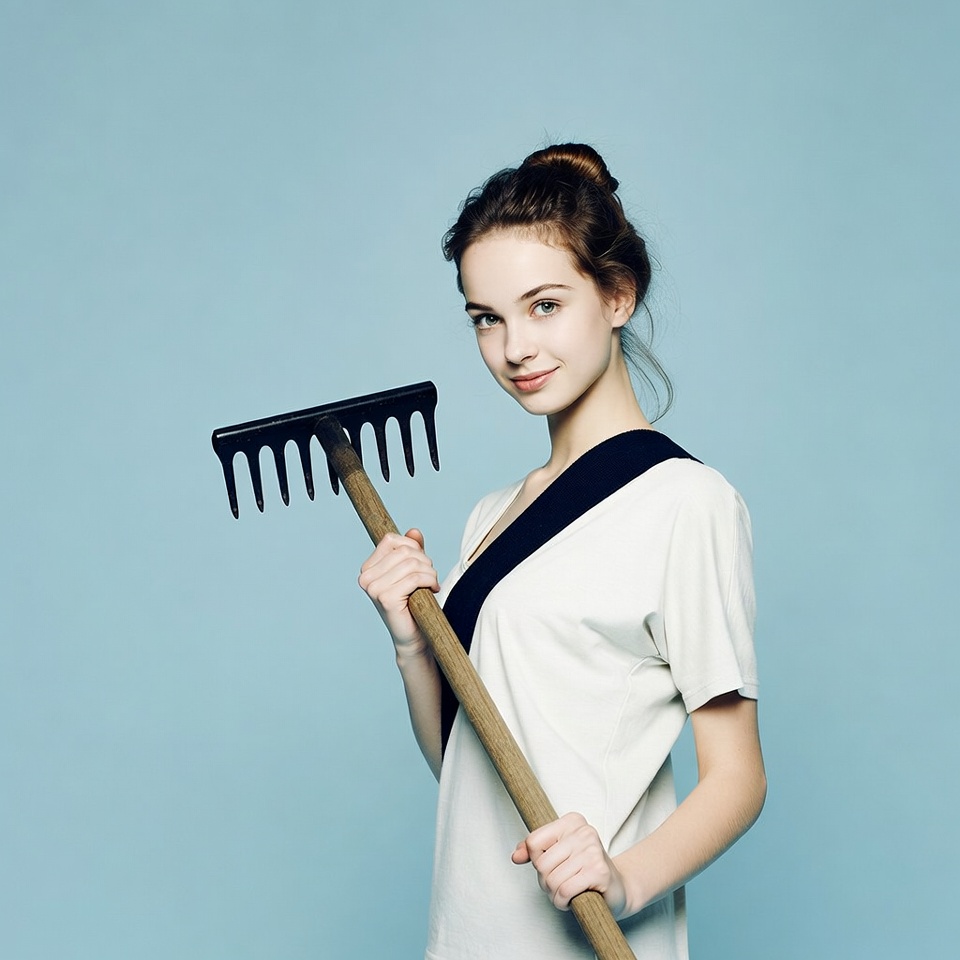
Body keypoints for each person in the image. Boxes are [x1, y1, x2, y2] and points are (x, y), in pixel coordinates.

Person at [358, 143, 766, 959]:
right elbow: (469, 770)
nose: (514, 348)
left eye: (544, 305)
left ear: (617, 295)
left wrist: (623, 878)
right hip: (465, 934)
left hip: (588, 939)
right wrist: (411, 647)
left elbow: (738, 778)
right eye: (487, 317)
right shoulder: (490, 516)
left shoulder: (685, 503)